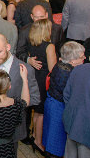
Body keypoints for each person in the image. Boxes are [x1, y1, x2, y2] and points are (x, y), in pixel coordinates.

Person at [42, 41, 85, 157]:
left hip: (53, 104)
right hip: (58, 109)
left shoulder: (61, 65)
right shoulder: (67, 73)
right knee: (56, 144)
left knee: (51, 140)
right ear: (72, 60)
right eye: (81, 57)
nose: (84, 58)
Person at [26, 18, 57, 151]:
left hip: (33, 78)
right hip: (43, 80)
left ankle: (33, 135)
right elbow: (52, 69)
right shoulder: (49, 46)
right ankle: (38, 142)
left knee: (36, 111)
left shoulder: (32, 44)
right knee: (41, 113)